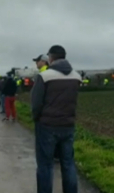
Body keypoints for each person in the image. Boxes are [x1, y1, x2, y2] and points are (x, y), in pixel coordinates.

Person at [31, 45, 81, 193]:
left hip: (47, 126)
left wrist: (36, 119)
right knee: (68, 163)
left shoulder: (45, 76)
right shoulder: (76, 76)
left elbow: (36, 103)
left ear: (51, 58)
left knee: (45, 165)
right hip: (68, 125)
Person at [33, 53, 60, 162]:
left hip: (46, 112)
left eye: (37, 61)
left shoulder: (44, 73)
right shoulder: (48, 72)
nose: (36, 63)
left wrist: (36, 114)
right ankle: (56, 155)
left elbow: (38, 97)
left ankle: (51, 156)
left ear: (44, 62)